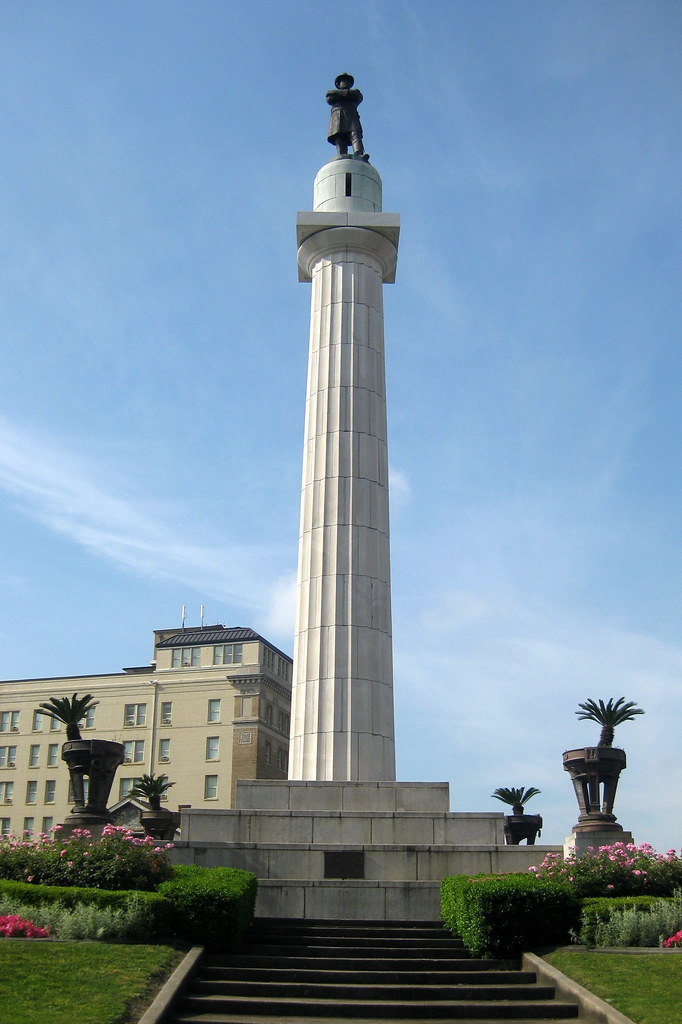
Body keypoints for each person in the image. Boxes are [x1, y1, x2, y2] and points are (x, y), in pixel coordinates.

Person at [326, 73, 368, 159]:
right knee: (339, 136)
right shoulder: (332, 93)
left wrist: (339, 95)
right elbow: (330, 98)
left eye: (348, 81)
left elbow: (357, 96)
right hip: (337, 117)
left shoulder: (355, 93)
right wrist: (347, 94)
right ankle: (341, 155)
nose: (345, 82)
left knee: (355, 134)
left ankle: (359, 154)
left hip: (351, 115)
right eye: (343, 81)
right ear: (339, 83)